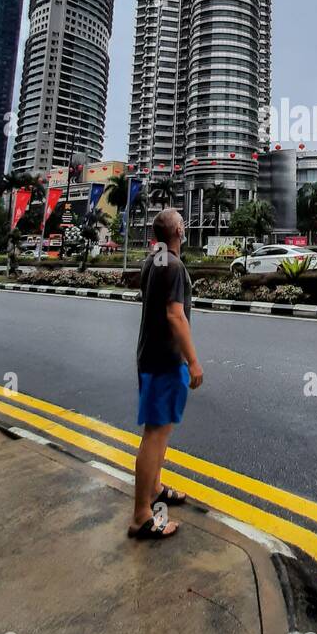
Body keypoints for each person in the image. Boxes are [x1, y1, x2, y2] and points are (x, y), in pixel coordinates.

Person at [129, 208, 203, 540]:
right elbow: (175, 316)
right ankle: (142, 515)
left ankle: (156, 488)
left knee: (162, 430)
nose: (185, 226)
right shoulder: (172, 265)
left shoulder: (154, 261)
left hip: (151, 356)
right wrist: (193, 361)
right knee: (155, 434)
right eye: (182, 222)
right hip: (164, 360)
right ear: (175, 230)